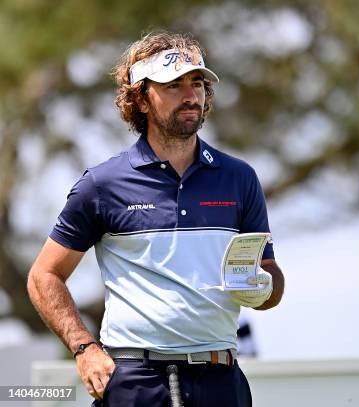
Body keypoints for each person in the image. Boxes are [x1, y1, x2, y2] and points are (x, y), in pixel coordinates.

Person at [26, 31, 284, 407]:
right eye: (174, 85)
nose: (191, 95)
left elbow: (271, 276)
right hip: (136, 381)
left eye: (196, 83)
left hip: (221, 378)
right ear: (141, 98)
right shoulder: (102, 184)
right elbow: (43, 276)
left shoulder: (239, 178)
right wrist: (84, 348)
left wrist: (262, 287)